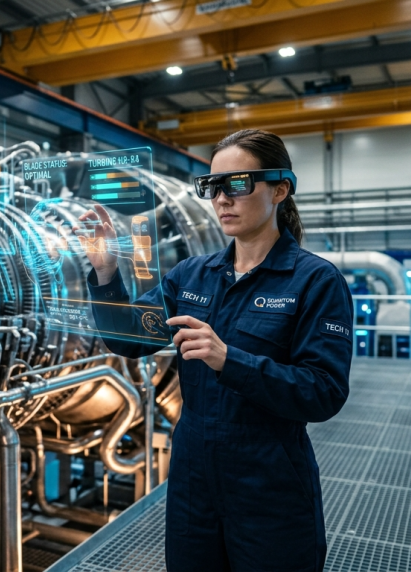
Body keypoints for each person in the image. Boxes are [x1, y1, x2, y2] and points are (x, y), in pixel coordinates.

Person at [78, 129, 353, 571]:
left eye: (238, 184)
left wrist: (230, 360)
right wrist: (107, 274)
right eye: (213, 187)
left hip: (270, 486)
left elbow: (323, 391)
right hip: (193, 484)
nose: (222, 199)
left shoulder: (315, 282)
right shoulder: (192, 275)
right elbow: (129, 338)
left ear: (280, 189)